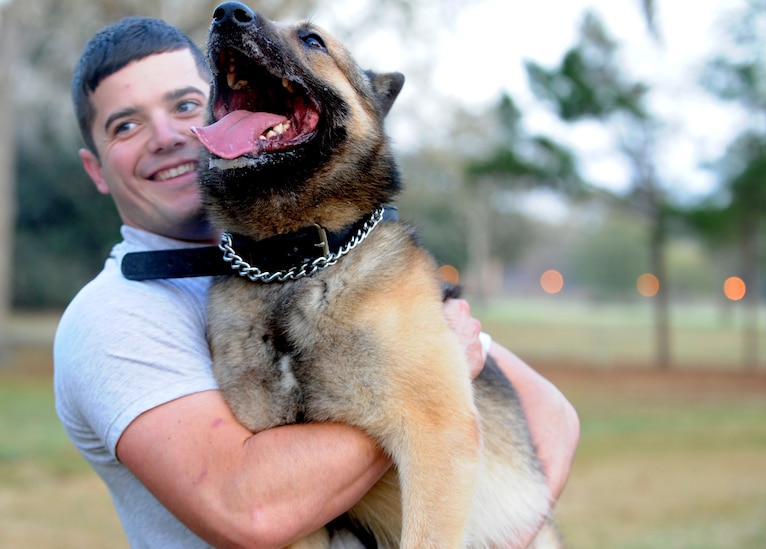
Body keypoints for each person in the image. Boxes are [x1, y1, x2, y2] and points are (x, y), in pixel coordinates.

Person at [54, 15, 579, 549]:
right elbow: (252, 511)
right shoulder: (110, 319)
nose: (167, 137)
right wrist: (424, 405)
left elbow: (552, 418)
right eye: (126, 125)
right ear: (94, 169)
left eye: (185, 105)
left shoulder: (363, 261)